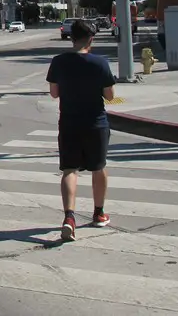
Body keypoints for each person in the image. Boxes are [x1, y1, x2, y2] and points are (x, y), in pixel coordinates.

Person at [46, 18, 116, 241]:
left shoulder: (58, 62)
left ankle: (69, 218)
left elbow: (54, 93)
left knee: (69, 170)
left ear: (72, 38)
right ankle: (99, 212)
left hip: (68, 123)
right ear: (91, 39)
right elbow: (110, 96)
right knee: (99, 167)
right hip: (96, 123)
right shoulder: (101, 63)